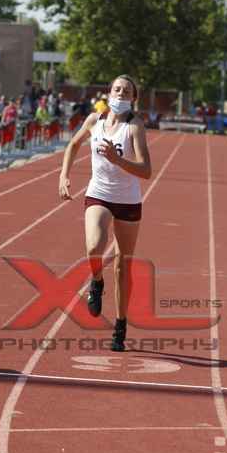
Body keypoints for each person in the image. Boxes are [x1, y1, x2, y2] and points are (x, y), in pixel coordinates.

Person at [58, 75, 151, 352]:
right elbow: (73, 145)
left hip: (128, 200)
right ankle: (97, 282)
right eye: (117, 89)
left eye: (127, 91)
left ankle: (120, 326)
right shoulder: (94, 120)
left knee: (123, 266)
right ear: (109, 93)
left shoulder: (134, 126)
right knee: (93, 246)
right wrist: (64, 175)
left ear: (133, 98)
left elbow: (146, 171)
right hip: (99, 193)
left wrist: (117, 159)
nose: (121, 94)